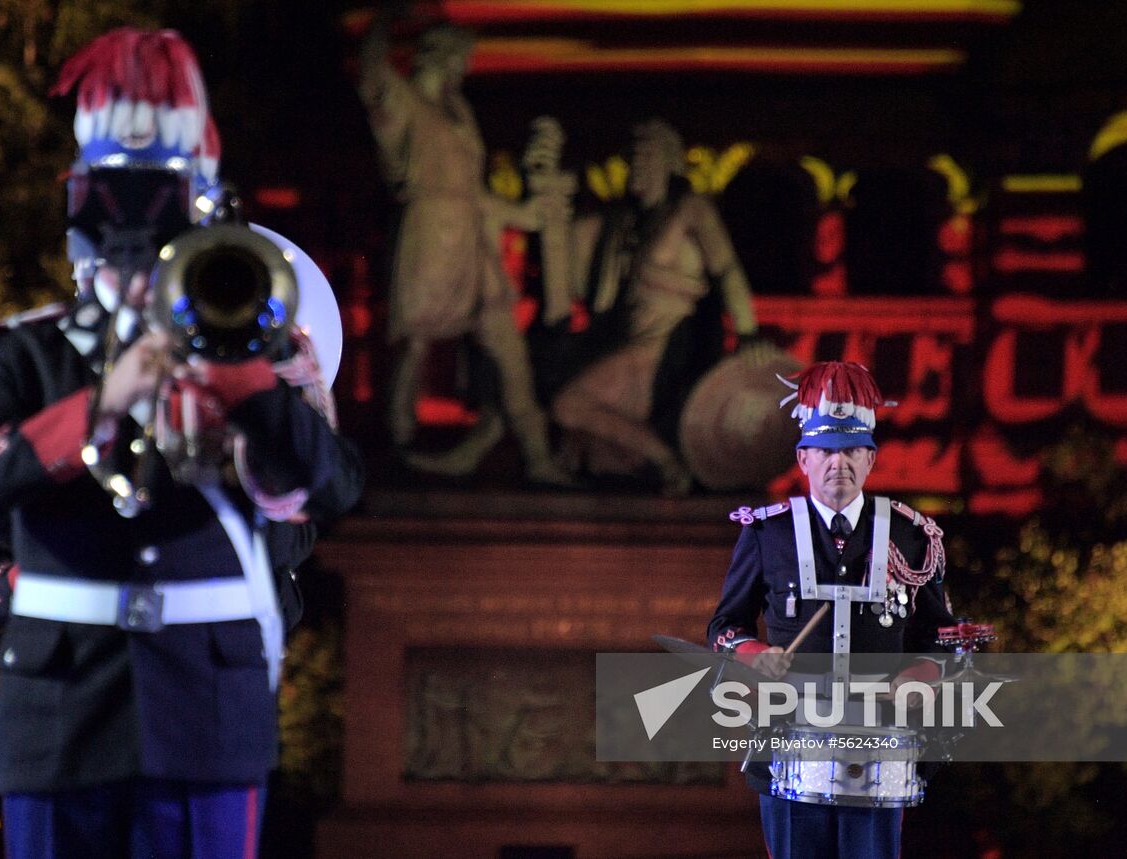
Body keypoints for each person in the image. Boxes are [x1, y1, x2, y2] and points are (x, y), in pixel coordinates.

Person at [0, 29, 363, 859]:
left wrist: (243, 383)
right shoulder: (28, 354)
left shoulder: (247, 354)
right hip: (61, 714)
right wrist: (102, 400)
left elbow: (330, 490)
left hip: (206, 713)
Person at [706, 361, 955, 859]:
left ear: (870, 460)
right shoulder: (766, 533)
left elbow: (943, 635)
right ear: (803, 458)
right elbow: (724, 627)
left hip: (881, 742)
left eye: (851, 452)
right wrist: (757, 654)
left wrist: (920, 673)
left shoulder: (910, 534)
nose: (837, 464)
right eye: (824, 452)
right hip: (790, 743)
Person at [357, 19, 572, 484]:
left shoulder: (459, 111)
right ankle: (398, 446)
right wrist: (385, 17)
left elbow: (472, 192)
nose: (467, 67)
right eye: (462, 58)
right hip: (430, 239)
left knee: (507, 347)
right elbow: (372, 75)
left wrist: (523, 215)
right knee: (413, 343)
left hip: (472, 243)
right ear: (442, 56)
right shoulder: (403, 102)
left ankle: (538, 458)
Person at [548, 119, 760, 495]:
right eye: (633, 158)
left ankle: (667, 462)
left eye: (647, 157)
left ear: (670, 163)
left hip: (661, 351)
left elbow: (727, 269)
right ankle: (650, 461)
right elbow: (577, 267)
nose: (637, 166)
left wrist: (747, 333)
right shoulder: (626, 222)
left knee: (568, 405)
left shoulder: (691, 210)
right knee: (585, 435)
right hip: (628, 345)